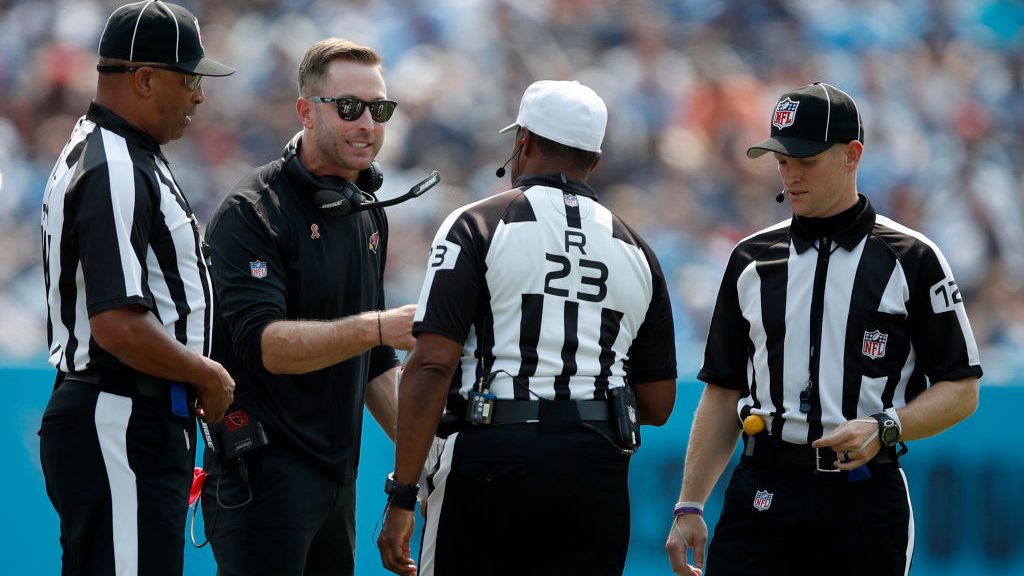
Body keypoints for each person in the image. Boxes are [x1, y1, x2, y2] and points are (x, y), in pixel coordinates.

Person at [664, 82, 982, 576]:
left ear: (852, 155)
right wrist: (690, 504)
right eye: (782, 161)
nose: (790, 175)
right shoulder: (750, 259)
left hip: (864, 497)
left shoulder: (913, 258)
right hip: (763, 487)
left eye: (806, 161)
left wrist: (886, 426)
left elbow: (962, 388)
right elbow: (724, 390)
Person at [377, 80, 678, 576]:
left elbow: (431, 363)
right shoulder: (637, 249)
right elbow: (658, 404)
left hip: (494, 454)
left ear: (523, 142)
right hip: (596, 467)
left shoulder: (476, 223)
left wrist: (404, 492)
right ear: (594, 161)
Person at [199, 38, 416, 576]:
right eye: (348, 108)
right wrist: (378, 327)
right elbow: (265, 346)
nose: (367, 122)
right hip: (263, 478)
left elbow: (376, 367)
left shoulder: (367, 211)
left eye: (379, 109)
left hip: (337, 481)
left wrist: (429, 462)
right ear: (305, 111)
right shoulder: (251, 213)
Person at [37, 2, 236, 574]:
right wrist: (204, 372)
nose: (199, 95)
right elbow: (117, 324)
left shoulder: (115, 151)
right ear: (146, 79)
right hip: (120, 413)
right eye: (190, 78)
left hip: (121, 416)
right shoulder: (115, 164)